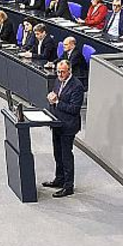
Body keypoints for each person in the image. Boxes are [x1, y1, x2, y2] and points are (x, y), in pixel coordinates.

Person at [45, 60, 84, 197]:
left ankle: (68, 186)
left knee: (66, 156)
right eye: (58, 72)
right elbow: (55, 95)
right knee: (57, 154)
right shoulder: (58, 81)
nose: (60, 74)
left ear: (69, 71)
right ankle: (59, 179)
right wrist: (52, 100)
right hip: (56, 123)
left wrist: (57, 102)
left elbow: (74, 109)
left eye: (63, 72)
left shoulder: (77, 86)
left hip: (68, 126)